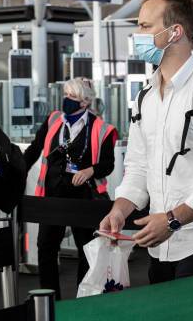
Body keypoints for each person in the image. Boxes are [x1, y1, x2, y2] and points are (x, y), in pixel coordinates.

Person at [99, 0, 193, 284]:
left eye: (144, 26)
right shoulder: (145, 98)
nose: (136, 35)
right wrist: (119, 210)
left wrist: (172, 219)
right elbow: (139, 166)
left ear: (175, 32)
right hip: (161, 247)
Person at [23, 77, 117, 300]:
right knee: (46, 248)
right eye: (66, 95)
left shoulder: (101, 129)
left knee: (86, 251)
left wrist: (89, 171)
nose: (67, 100)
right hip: (52, 196)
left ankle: (82, 300)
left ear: (85, 102)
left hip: (83, 199)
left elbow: (108, 164)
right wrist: (18, 170)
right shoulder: (54, 120)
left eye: (72, 97)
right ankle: (49, 301)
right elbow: (34, 149)